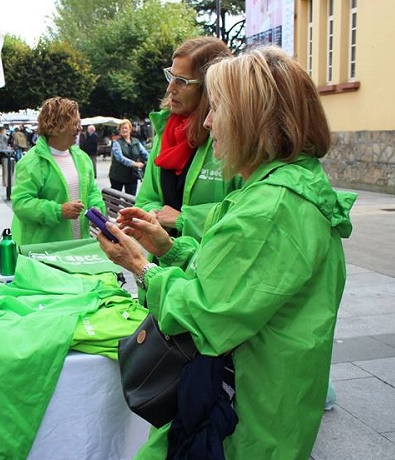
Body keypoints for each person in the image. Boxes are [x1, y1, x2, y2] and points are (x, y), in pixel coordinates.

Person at [97, 46, 356, 460]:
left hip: (243, 422)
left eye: (217, 109)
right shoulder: (279, 190)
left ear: (252, 120)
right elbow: (236, 284)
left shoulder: (271, 208)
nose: (208, 121)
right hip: (263, 406)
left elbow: (204, 318)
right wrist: (169, 248)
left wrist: (141, 267)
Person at [135, 36, 237, 240]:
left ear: (209, 87)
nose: (170, 88)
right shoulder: (165, 131)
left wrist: (184, 219)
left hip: (209, 263)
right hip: (164, 261)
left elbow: (246, 214)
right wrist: (153, 214)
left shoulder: (230, 137)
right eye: (170, 76)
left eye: (181, 81)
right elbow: (146, 198)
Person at [10, 97, 105, 246]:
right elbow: (21, 204)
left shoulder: (82, 158)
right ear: (57, 126)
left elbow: (91, 191)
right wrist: (59, 211)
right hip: (45, 250)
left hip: (78, 247)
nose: (80, 129)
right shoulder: (31, 162)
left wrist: (97, 207)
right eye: (75, 124)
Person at [109, 119, 148, 196]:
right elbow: (120, 158)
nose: (124, 130)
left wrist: (152, 161)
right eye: (122, 128)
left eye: (126, 128)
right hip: (118, 175)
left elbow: (145, 154)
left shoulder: (136, 142)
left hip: (132, 176)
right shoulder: (116, 142)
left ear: (130, 129)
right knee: (115, 200)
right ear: (119, 130)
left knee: (131, 199)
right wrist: (134, 164)